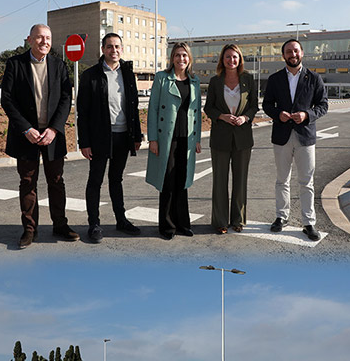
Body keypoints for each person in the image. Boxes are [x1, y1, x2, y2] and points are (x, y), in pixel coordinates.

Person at [1, 23, 79, 249]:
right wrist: (26, 128)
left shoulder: (59, 65)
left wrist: (54, 129)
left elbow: (66, 99)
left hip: (52, 135)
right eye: (40, 38)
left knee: (56, 182)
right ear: (29, 40)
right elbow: (7, 100)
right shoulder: (15, 64)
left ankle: (60, 225)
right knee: (27, 183)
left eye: (48, 38)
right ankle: (29, 230)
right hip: (26, 136)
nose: (45, 42)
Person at [77, 33, 142, 243]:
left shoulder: (128, 73)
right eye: (110, 47)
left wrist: (137, 134)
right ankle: (94, 224)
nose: (114, 50)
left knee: (117, 179)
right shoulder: (90, 75)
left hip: (123, 136)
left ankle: (121, 220)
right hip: (99, 137)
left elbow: (133, 107)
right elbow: (83, 112)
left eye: (117, 47)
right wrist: (84, 142)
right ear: (103, 49)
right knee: (95, 180)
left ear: (122, 49)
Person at [262, 38, 328, 241]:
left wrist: (307, 115)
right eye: (289, 52)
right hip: (282, 136)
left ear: (302, 53)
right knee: (282, 180)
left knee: (306, 182)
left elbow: (323, 105)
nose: (293, 55)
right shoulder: (274, 79)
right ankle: (281, 217)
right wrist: (277, 114)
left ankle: (309, 223)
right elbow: (266, 105)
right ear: (283, 55)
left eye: (296, 51)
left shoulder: (314, 78)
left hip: (305, 136)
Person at [146, 42, 202, 239]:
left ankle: (183, 224)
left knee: (182, 181)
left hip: (186, 138)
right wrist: (152, 139)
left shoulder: (194, 81)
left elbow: (197, 113)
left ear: (189, 58)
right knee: (167, 181)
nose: (181, 59)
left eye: (185, 56)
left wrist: (197, 139)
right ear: (172, 58)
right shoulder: (162, 78)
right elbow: (152, 108)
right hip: (165, 138)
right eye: (178, 55)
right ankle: (167, 226)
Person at [204, 43, 258, 234]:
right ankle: (220, 222)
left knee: (240, 180)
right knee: (219, 180)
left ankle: (238, 219)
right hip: (220, 137)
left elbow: (254, 107)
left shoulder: (249, 80)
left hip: (242, 138)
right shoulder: (215, 81)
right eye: (228, 57)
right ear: (222, 59)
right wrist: (222, 116)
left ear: (240, 59)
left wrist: (245, 117)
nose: (231, 60)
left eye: (235, 57)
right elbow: (208, 107)